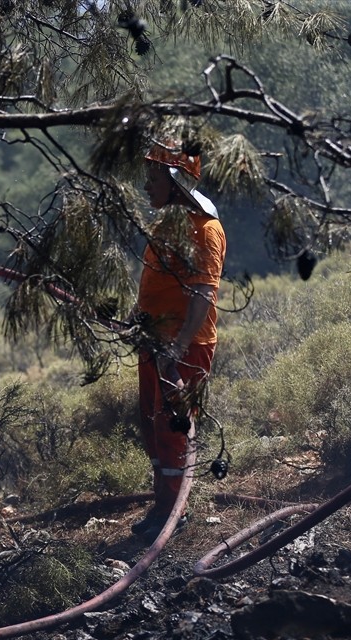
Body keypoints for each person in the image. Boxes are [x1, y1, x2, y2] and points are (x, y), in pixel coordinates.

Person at [130, 140, 227, 541]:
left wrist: (178, 347)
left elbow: (203, 294)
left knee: (173, 428)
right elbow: (158, 284)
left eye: (154, 178)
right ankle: (163, 504)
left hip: (183, 348)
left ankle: (176, 511)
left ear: (176, 182)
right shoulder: (166, 226)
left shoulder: (205, 231)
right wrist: (137, 318)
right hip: (155, 341)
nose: (147, 186)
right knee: (151, 423)